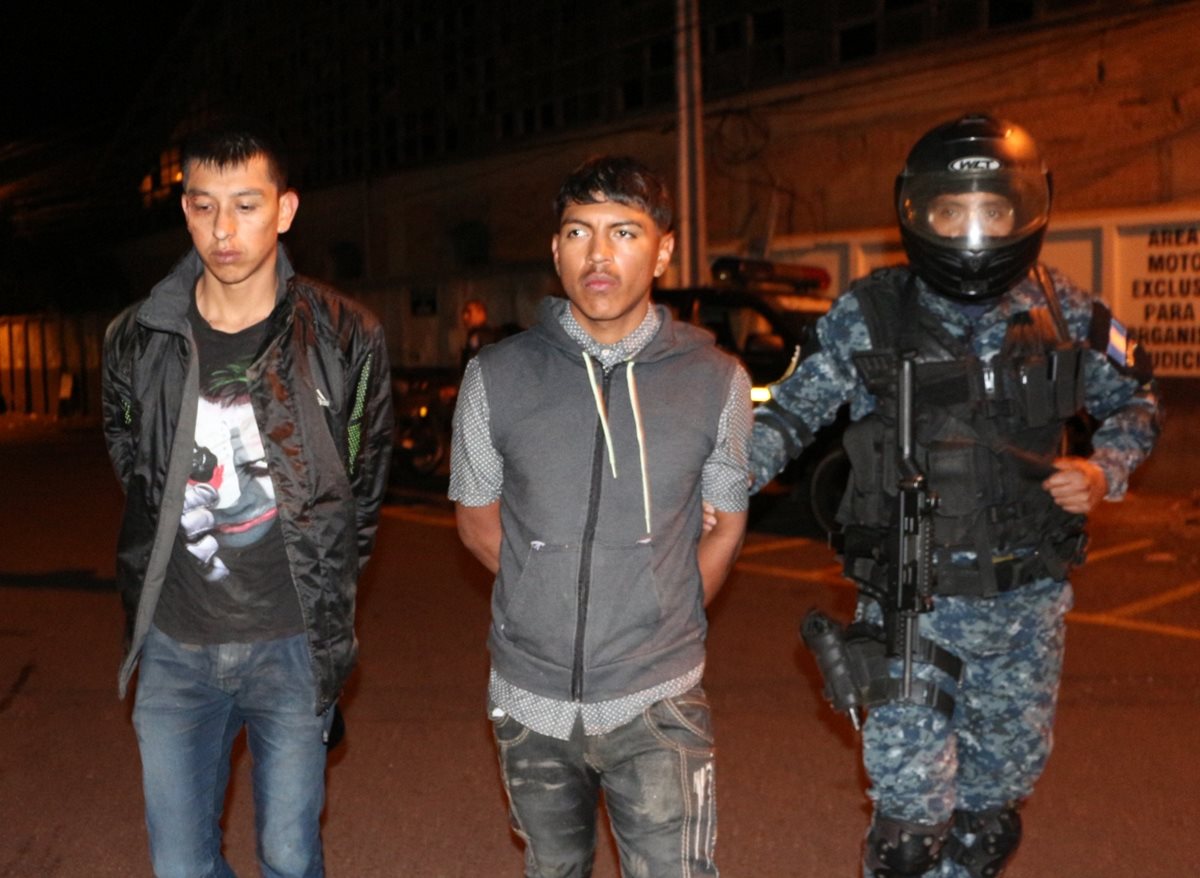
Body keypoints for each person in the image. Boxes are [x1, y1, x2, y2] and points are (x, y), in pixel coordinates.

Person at [749, 114, 1160, 878]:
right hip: (913, 601)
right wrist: (717, 483)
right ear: (917, 214)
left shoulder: (1063, 309)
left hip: (1026, 607)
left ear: (1025, 212)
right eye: (950, 211)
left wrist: (1106, 468)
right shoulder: (871, 313)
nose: (972, 229)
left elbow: (1136, 400)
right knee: (911, 829)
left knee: (988, 819)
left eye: (992, 210)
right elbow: (791, 412)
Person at [101, 122, 393, 878]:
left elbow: (358, 495)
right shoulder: (137, 338)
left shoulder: (346, 336)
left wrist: (320, 596)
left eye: (246, 206)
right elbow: (137, 465)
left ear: (285, 210)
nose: (223, 231)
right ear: (185, 211)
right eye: (203, 207)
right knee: (179, 864)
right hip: (173, 647)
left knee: (290, 856)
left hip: (291, 647)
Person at [449, 155, 751, 877]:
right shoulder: (497, 376)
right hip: (530, 700)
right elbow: (477, 518)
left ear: (664, 249)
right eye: (579, 233)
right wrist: (542, 594)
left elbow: (726, 525)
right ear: (556, 250)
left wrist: (653, 607)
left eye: (624, 231)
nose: (599, 254)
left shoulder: (718, 382)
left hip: (657, 698)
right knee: (553, 870)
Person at [460, 298, 499, 369]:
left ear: (480, 313)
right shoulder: (476, 333)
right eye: (465, 312)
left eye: (469, 312)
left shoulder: (480, 334)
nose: (465, 316)